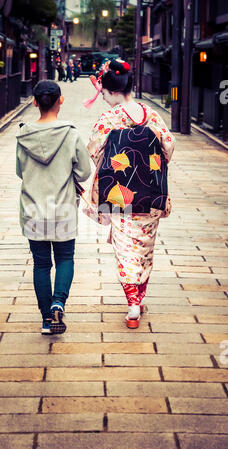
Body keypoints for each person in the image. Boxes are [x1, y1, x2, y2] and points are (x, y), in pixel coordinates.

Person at [86, 59, 175, 329]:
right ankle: (141, 297)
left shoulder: (109, 118)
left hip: (119, 196)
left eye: (102, 92)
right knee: (145, 249)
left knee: (126, 250)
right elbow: (169, 144)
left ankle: (133, 303)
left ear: (111, 91)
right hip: (150, 193)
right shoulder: (151, 114)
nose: (101, 96)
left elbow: (94, 149)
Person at [16, 80, 91, 335]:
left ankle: (47, 319)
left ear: (35, 102)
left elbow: (20, 172)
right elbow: (84, 172)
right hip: (63, 209)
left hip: (33, 209)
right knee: (65, 258)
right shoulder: (71, 134)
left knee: (41, 265)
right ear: (61, 100)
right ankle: (59, 301)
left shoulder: (23, 135)